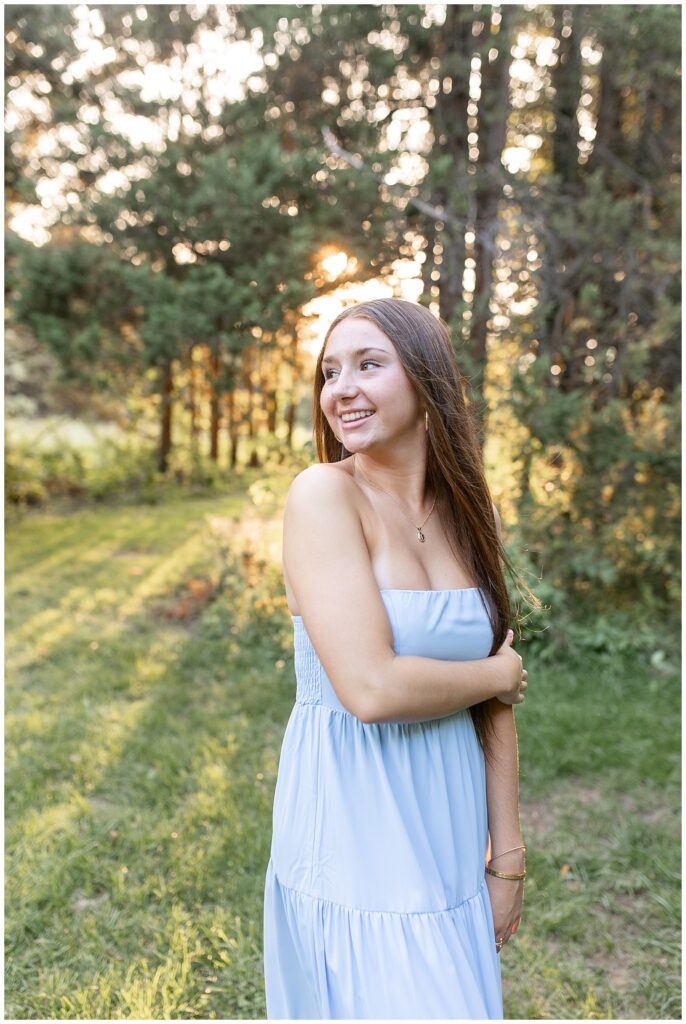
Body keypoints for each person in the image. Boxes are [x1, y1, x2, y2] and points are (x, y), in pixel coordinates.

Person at [263, 298, 530, 1020]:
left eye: (368, 364)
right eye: (329, 372)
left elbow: (495, 708)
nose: (341, 388)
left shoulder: (468, 510)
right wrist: (497, 674)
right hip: (355, 822)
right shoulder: (324, 497)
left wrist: (507, 857)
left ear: (426, 381)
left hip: (446, 822)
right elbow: (372, 688)